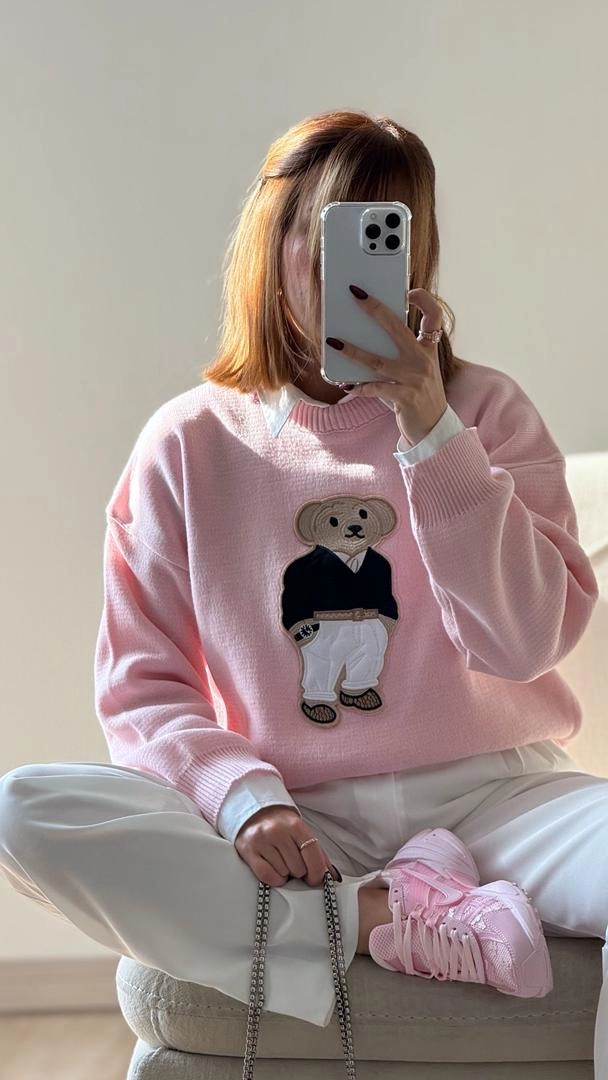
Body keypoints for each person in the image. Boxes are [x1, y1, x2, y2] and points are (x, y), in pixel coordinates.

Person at [1, 108, 607, 1069]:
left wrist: (431, 431)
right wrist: (245, 799)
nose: (345, 270)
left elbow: (524, 643)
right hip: (301, 814)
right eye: (326, 232)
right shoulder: (187, 444)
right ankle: (377, 919)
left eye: (383, 233)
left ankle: (357, 920)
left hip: (500, 797)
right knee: (27, 809)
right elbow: (142, 689)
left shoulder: (484, 412)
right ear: (271, 243)